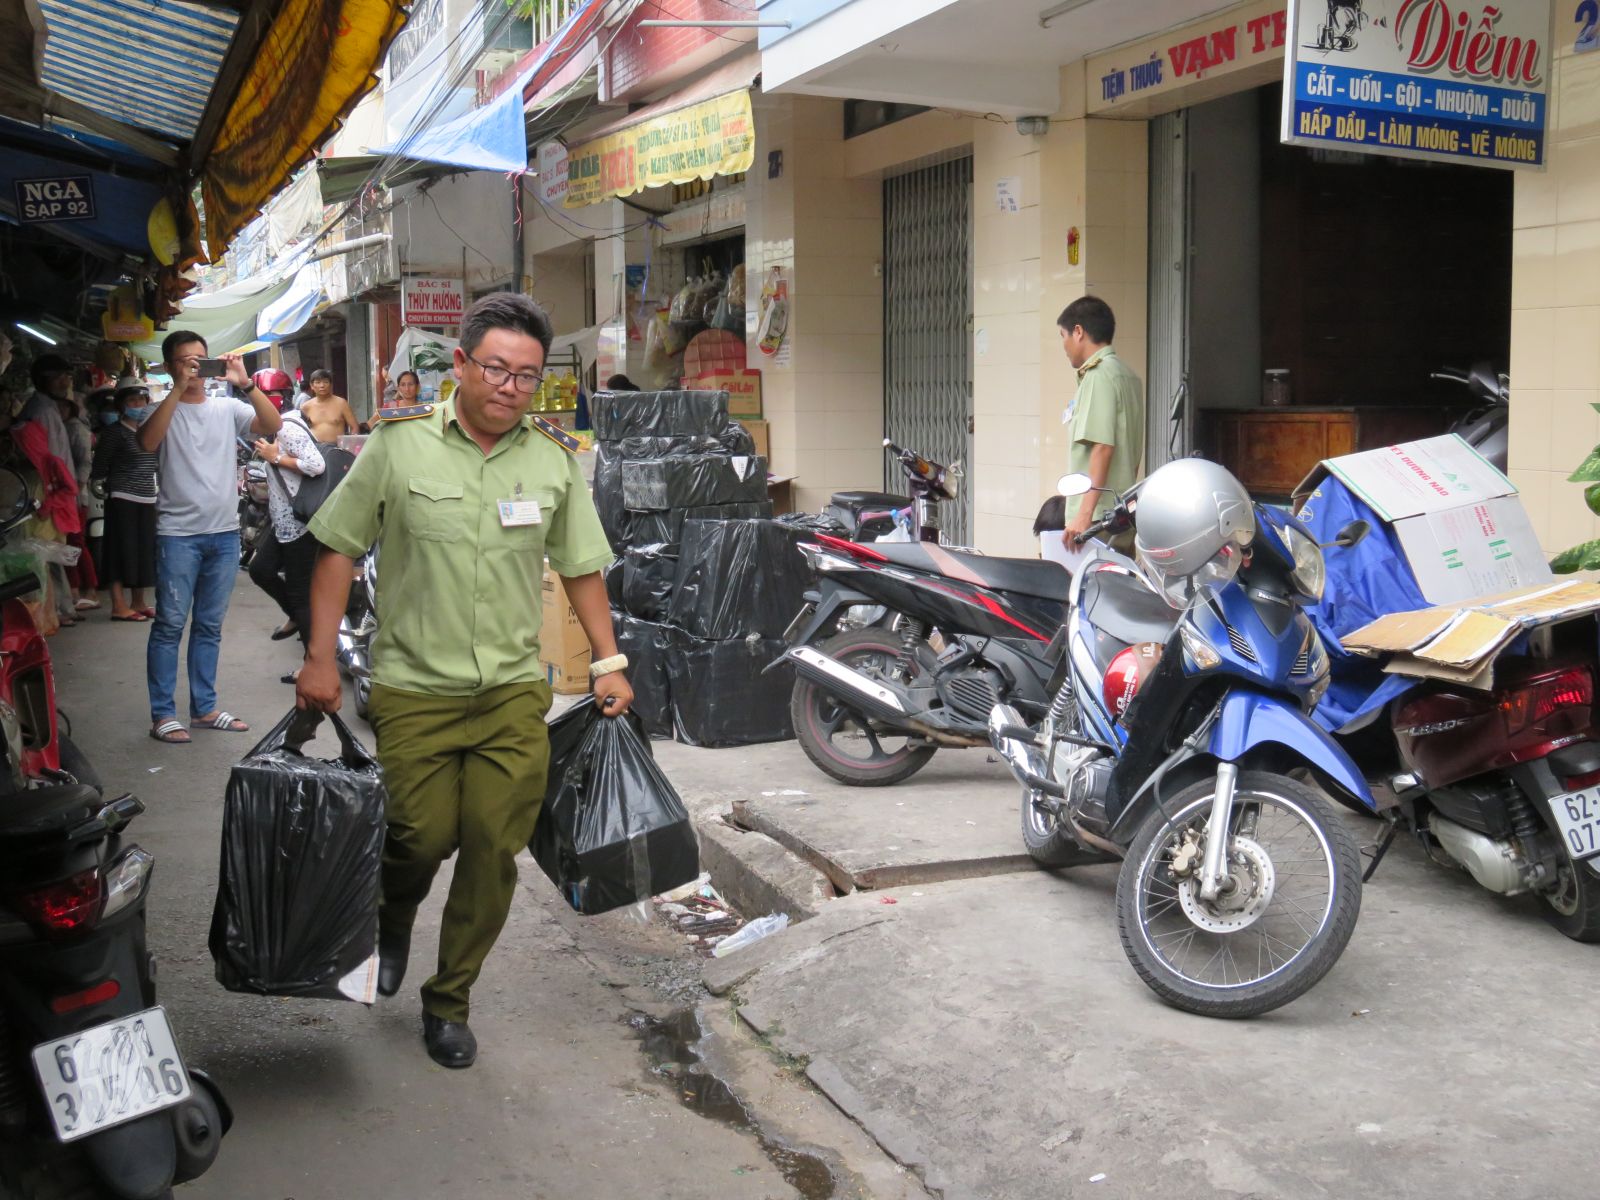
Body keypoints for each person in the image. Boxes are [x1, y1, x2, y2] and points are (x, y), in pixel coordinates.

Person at [297, 293, 630, 1070]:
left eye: (527, 376)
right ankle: (392, 913)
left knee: (491, 847)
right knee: (419, 835)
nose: (511, 387)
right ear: (460, 366)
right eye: (497, 369)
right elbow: (338, 550)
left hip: (513, 691)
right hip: (414, 687)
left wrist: (610, 663)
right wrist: (319, 657)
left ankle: (449, 1001)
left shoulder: (551, 460)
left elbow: (582, 567)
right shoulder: (397, 449)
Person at [140, 332, 283, 745]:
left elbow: (272, 425)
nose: (195, 369)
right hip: (177, 535)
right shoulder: (158, 409)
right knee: (169, 625)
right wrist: (177, 391)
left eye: (201, 361)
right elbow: (147, 442)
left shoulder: (227, 407)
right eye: (186, 362)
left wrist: (246, 382)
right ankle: (163, 714)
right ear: (169, 367)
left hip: (222, 533)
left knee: (209, 626)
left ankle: (204, 708)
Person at [1056, 296, 1145, 564]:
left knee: (1090, 594)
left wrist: (1084, 514)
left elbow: (1103, 447)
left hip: (1098, 520)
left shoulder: (1097, 376)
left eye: (1063, 335)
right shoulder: (1127, 375)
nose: (1064, 345)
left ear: (1079, 332)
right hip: (1120, 513)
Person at [247, 404, 325, 677]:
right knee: (260, 570)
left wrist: (276, 457)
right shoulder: (276, 431)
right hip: (282, 522)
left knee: (300, 595)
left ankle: (313, 665)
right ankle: (294, 615)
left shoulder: (286, 429)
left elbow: (316, 465)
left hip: (300, 524)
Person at [18, 354, 83, 625]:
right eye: (61, 376)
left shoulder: (46, 407)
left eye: (67, 376)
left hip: (54, 489)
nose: (66, 382)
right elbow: (50, 460)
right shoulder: (41, 410)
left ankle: (62, 608)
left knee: (52, 549)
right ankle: (54, 611)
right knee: (47, 551)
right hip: (47, 490)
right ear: (45, 379)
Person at [90, 378, 160, 622]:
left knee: (142, 552)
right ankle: (118, 605)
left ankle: (138, 602)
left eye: (141, 399)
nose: (137, 404)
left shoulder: (152, 430)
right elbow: (99, 468)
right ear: (121, 405)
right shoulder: (114, 433)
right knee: (119, 551)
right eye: (131, 400)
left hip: (147, 497)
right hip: (121, 497)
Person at [298, 369, 358, 444]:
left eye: (325, 382)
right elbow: (299, 430)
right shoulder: (306, 407)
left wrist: (351, 445)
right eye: (318, 382)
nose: (322, 385)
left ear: (331, 385)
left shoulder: (341, 403)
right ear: (312, 386)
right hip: (314, 449)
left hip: (337, 449)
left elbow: (354, 427)